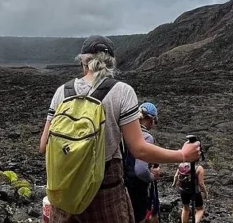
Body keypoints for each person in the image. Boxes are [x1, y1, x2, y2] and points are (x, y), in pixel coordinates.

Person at [39, 35, 201, 223]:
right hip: (104, 189)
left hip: (64, 190)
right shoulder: (122, 91)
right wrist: (183, 155)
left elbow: (44, 146)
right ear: (110, 63)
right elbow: (139, 149)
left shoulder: (62, 92)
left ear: (83, 61)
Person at [123, 102, 161, 223]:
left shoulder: (124, 133)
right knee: (141, 217)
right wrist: (152, 176)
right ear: (151, 120)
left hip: (124, 183)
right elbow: (140, 170)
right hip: (138, 186)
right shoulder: (146, 138)